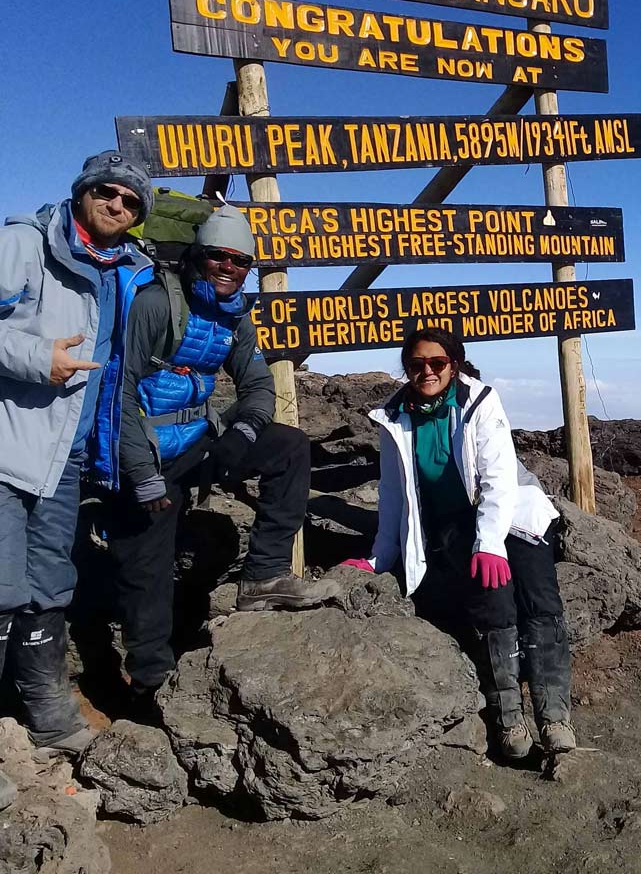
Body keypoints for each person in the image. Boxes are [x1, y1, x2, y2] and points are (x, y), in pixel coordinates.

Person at [95, 202, 339, 712]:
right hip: (145, 455)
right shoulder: (156, 305)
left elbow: (255, 384)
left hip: (197, 441)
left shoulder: (234, 316)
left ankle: (263, 576)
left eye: (240, 262)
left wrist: (243, 432)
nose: (229, 268)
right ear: (197, 257)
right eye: (218, 258)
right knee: (149, 567)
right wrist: (142, 475)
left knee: (289, 446)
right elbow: (118, 393)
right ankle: (147, 680)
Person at [354, 327, 574, 760]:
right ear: (407, 369)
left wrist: (490, 542)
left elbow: (497, 478)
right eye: (417, 365)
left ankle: (555, 717)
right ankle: (510, 719)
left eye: (437, 363)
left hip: (513, 512)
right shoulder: (394, 416)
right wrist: (380, 555)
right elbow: (393, 492)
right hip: (456, 523)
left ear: (453, 364)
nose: (427, 371)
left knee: (539, 597)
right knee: (494, 604)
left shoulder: (479, 400)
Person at [0, 151, 154, 756]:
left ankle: (42, 704)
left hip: (66, 456)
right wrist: (42, 359)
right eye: (108, 193)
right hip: (10, 444)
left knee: (51, 580)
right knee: (2, 582)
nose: (118, 205)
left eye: (131, 201)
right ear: (84, 191)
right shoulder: (26, 243)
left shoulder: (128, 268)